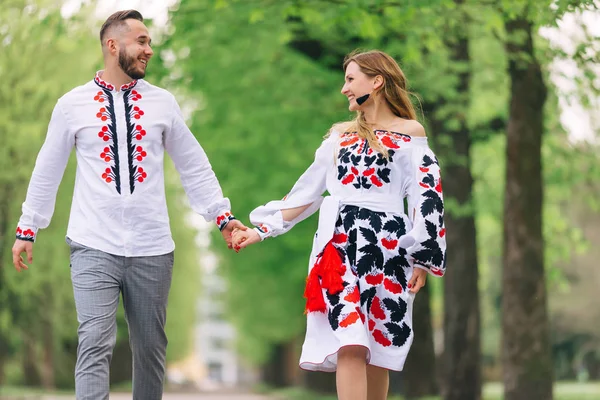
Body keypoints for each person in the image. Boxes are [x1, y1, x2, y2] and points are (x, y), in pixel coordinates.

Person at [11, 10, 244, 400]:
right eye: (141, 41)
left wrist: (223, 218)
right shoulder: (72, 105)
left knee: (151, 348)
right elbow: (46, 170)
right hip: (91, 243)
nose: (149, 50)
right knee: (95, 340)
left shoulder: (163, 104)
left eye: (149, 42)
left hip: (152, 246)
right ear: (112, 45)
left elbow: (194, 165)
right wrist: (27, 228)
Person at [232, 50, 446, 400]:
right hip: (337, 251)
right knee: (349, 341)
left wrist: (423, 257)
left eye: (351, 79)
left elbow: (428, 196)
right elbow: (305, 194)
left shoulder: (411, 134)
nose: (344, 89)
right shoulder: (338, 138)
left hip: (388, 255)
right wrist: (260, 231)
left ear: (376, 81)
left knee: (378, 348)